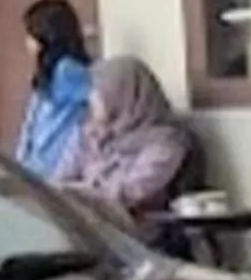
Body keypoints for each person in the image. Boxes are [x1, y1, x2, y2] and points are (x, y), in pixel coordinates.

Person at [60, 57, 197, 230]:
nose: (91, 99)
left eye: (98, 92)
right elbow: (61, 177)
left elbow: (128, 193)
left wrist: (74, 192)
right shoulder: (89, 132)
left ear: (122, 94)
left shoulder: (166, 143)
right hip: (82, 228)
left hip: (132, 237)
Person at [15, 0, 94, 180]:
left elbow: (97, 102)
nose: (27, 42)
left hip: (54, 166)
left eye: (30, 34)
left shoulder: (68, 71)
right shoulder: (49, 72)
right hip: (39, 164)